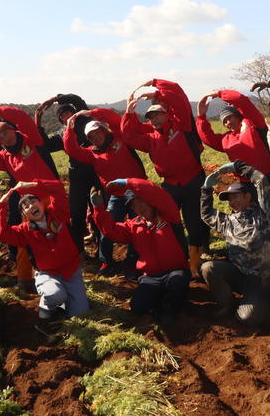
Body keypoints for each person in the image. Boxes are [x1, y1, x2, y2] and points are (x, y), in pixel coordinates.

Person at [121, 79, 209, 278]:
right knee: (171, 223)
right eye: (151, 117)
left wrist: (156, 89)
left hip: (192, 180)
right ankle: (179, 261)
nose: (155, 120)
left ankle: (194, 264)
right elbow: (127, 137)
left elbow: (178, 100)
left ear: (166, 114)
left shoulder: (182, 126)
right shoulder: (150, 139)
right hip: (170, 186)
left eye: (158, 114)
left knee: (195, 223)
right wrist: (128, 113)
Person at [0, 105, 60, 293]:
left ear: (13, 130)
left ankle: (61, 272)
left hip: (52, 199)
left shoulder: (32, 140)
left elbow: (23, 119)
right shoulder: (5, 158)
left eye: (6, 132)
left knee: (58, 236)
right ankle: (26, 279)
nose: (5, 137)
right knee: (28, 241)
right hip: (31, 204)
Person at [0, 179, 89, 327]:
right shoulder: (24, 231)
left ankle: (63, 301)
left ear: (42, 203)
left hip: (72, 272)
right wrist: (3, 201)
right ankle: (47, 308)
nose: (31, 206)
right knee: (55, 295)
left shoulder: (59, 213)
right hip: (48, 275)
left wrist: (33, 184)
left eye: (33, 201)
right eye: (25, 206)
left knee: (80, 315)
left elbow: (58, 188)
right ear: (24, 214)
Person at [93, 178, 190, 325]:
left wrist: (128, 182)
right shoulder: (134, 225)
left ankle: (168, 308)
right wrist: (99, 208)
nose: (139, 207)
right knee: (137, 306)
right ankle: (160, 303)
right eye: (134, 205)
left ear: (150, 200)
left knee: (177, 283)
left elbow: (157, 192)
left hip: (175, 271)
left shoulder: (169, 215)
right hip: (151, 276)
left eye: (141, 201)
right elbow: (111, 231)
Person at [199, 161, 270, 326]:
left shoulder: (264, 214)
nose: (232, 201)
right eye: (229, 199)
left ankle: (254, 303)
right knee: (208, 268)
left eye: (235, 196)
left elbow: (261, 182)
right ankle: (226, 304)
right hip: (237, 275)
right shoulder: (228, 220)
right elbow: (206, 213)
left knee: (247, 319)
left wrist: (238, 167)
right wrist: (206, 189)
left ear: (248, 196)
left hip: (260, 279)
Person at [64, 108, 145, 273]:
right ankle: (106, 261)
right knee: (106, 227)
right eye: (91, 136)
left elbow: (115, 120)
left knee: (139, 227)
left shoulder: (119, 138)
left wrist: (91, 112)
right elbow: (71, 149)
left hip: (136, 191)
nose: (96, 137)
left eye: (97, 132)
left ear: (103, 129)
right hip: (115, 195)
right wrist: (69, 129)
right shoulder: (91, 154)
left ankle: (133, 261)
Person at [34, 93, 101, 254]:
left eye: (67, 113)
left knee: (99, 209)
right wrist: (38, 121)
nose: (65, 116)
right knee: (76, 212)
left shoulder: (85, 121)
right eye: (62, 116)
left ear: (73, 112)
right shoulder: (62, 133)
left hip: (94, 171)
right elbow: (47, 145)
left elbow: (78, 101)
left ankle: (102, 248)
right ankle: (79, 250)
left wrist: (57, 99)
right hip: (76, 174)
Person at [195, 89, 270, 180]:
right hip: (244, 181)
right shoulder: (226, 139)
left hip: (267, 177)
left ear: (238, 115)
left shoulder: (253, 124)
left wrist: (219, 93)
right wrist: (201, 116)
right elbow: (207, 138)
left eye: (229, 117)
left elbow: (242, 101)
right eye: (224, 122)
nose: (228, 123)